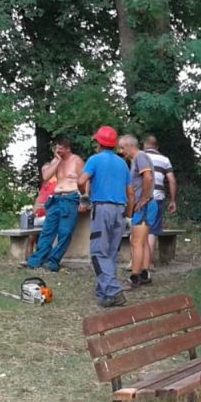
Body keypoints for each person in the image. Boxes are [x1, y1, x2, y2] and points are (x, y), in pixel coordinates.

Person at [79, 126, 129, 307]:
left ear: (99, 143)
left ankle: (114, 291)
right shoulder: (123, 163)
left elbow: (81, 181)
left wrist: (84, 198)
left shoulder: (94, 160)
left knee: (98, 252)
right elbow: (129, 190)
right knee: (112, 252)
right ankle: (104, 293)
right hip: (120, 210)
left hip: (102, 209)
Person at [26, 137, 84, 272]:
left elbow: (85, 181)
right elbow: (46, 177)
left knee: (65, 231)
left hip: (71, 197)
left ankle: (53, 260)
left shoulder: (76, 160)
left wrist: (84, 199)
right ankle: (38, 259)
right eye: (57, 147)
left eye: (61, 148)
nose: (58, 150)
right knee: (47, 231)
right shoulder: (56, 161)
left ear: (68, 148)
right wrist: (57, 160)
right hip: (56, 199)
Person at [119, 134, 155, 288]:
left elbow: (148, 177)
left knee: (136, 242)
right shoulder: (136, 160)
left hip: (144, 206)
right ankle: (145, 273)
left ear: (129, 145)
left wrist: (144, 198)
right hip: (146, 205)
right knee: (144, 241)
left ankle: (135, 277)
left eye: (122, 147)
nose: (121, 151)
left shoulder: (140, 157)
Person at [142, 135, 177, 271]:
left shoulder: (139, 157)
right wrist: (173, 200)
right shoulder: (164, 160)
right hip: (157, 197)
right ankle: (148, 263)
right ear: (157, 147)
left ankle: (136, 261)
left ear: (144, 145)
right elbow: (172, 180)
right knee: (152, 230)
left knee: (138, 228)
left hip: (140, 198)